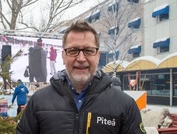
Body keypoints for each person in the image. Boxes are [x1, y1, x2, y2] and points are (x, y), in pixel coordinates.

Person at [17, 20, 146, 134]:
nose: (81, 58)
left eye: (88, 51)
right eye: (73, 51)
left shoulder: (125, 105)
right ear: (63, 56)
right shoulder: (38, 101)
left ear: (98, 56)